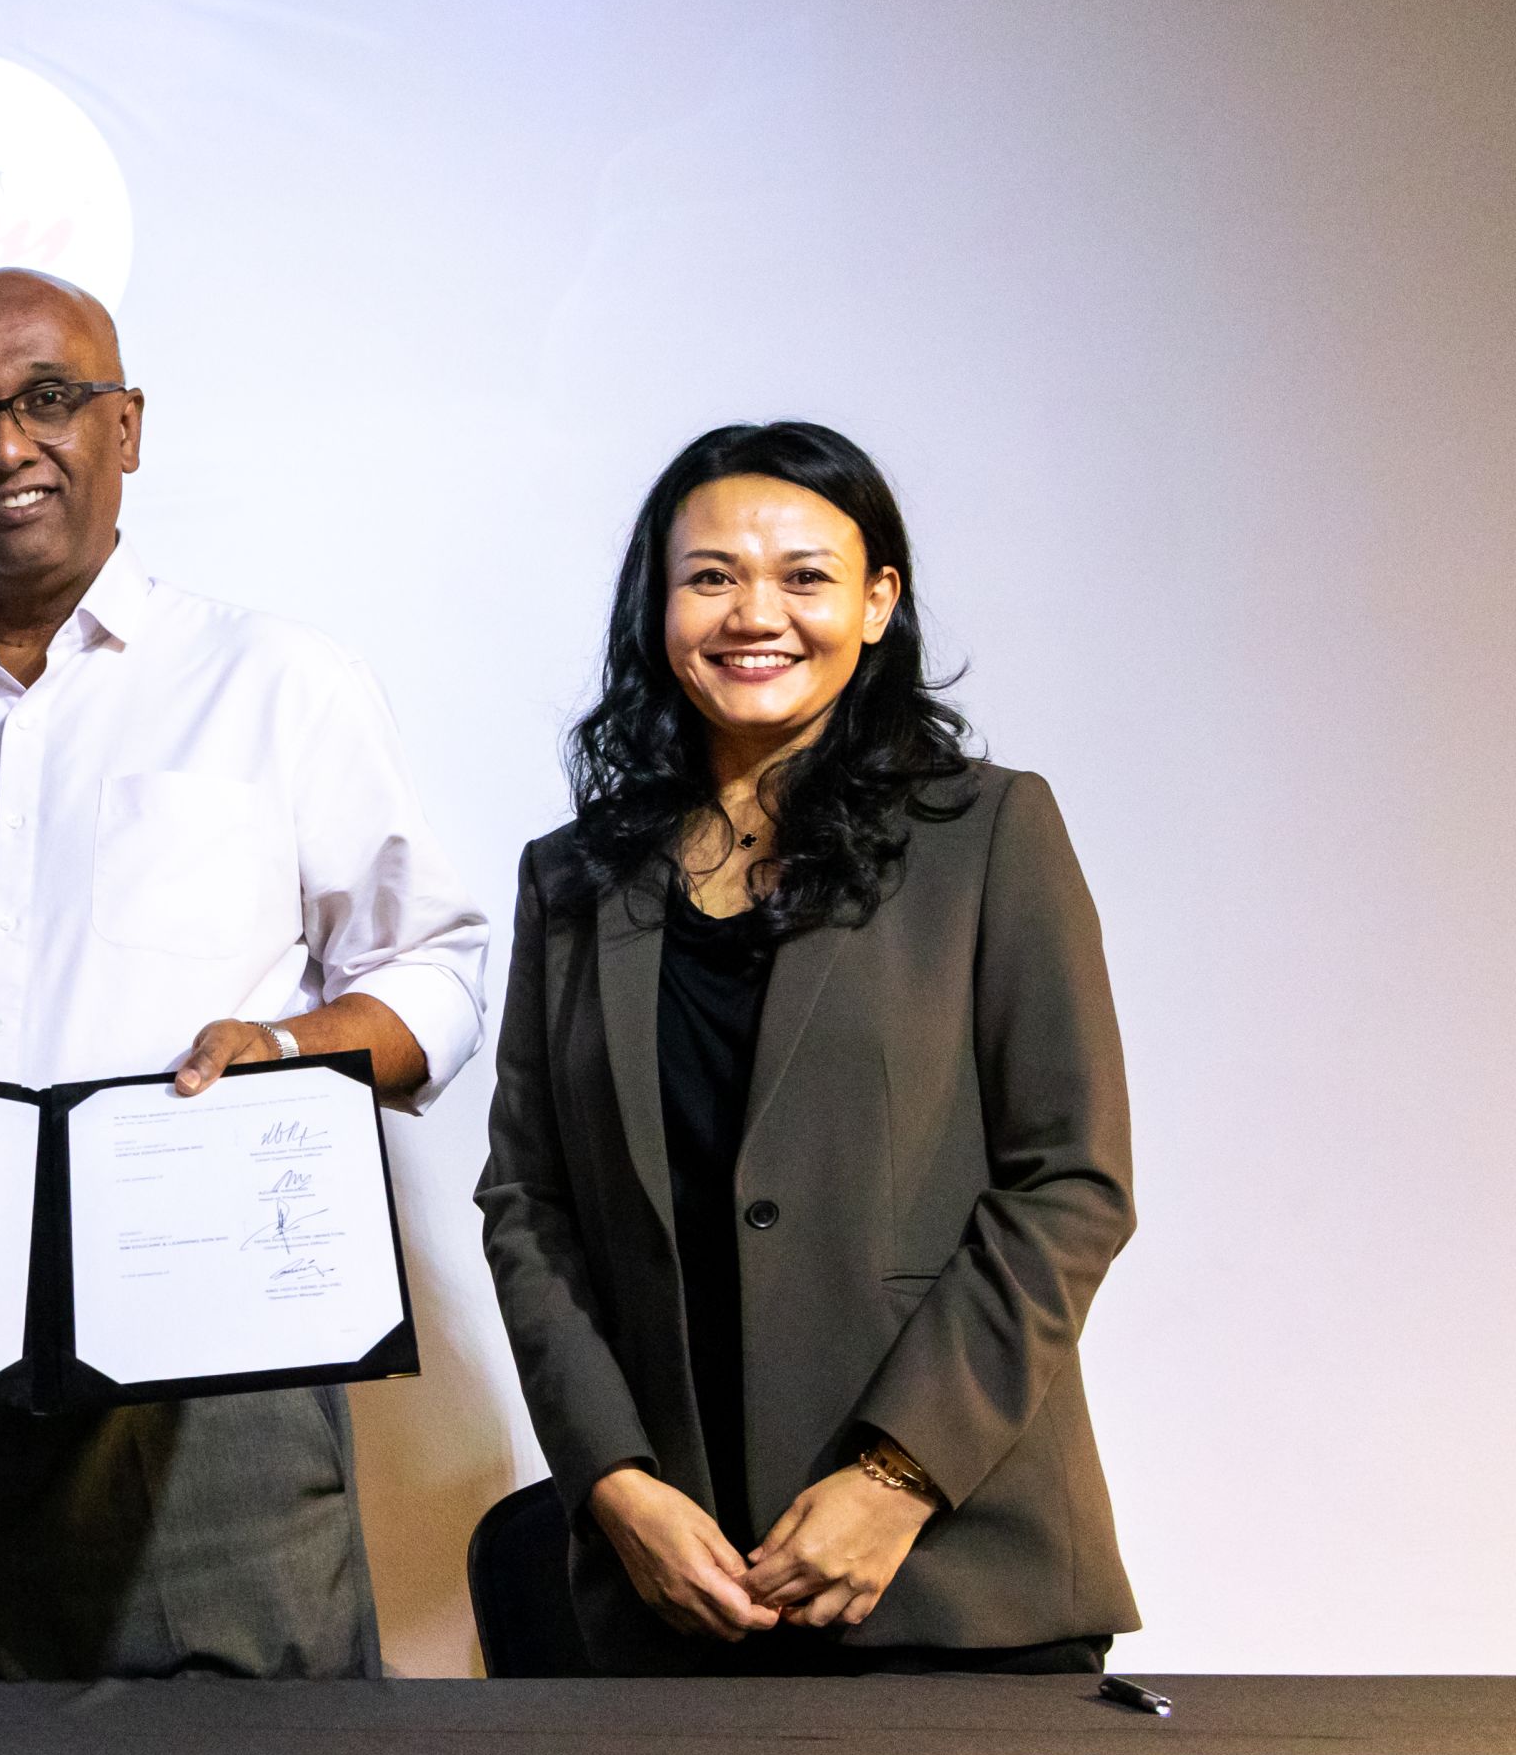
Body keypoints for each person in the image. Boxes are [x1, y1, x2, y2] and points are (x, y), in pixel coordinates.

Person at [0, 269, 489, 1679]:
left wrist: (286, 1053)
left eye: (48, 398)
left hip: (205, 1416)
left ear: (126, 426)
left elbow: (439, 971)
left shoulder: (277, 682)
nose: (6, 444)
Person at [475, 421, 1135, 1672]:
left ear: (876, 602)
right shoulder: (572, 878)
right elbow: (527, 1202)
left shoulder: (987, 833)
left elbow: (1070, 1183)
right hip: (672, 1587)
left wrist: (896, 1476)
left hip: (951, 1579)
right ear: (657, 606)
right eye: (710, 576)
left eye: (804, 576)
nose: (753, 613)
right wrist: (613, 1481)